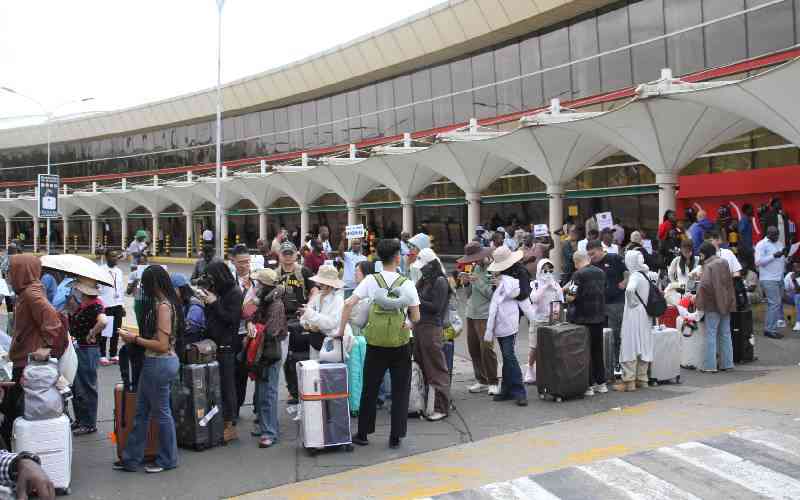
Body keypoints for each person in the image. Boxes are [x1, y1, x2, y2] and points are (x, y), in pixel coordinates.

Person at [340, 239, 420, 449]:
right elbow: (416, 316)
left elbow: (349, 303)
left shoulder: (371, 281)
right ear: (397, 257)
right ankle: (396, 436)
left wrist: (341, 330)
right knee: (400, 389)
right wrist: (408, 324)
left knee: (370, 388)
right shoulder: (407, 283)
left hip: (375, 344)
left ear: (379, 258)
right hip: (401, 343)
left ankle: (364, 433)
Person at [114, 265, 181, 473]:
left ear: (153, 284)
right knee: (142, 412)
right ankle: (131, 458)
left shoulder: (162, 307)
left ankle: (167, 459)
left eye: (145, 283)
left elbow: (161, 344)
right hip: (161, 362)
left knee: (160, 413)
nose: (143, 288)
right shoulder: (168, 303)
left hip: (159, 362)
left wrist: (134, 338)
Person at [1, 254, 67, 447]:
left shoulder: (32, 294)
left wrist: (45, 346)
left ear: (22, 271)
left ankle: (16, 456)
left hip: (28, 363)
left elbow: (52, 321)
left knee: (14, 410)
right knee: (14, 408)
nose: (8, 277)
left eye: (11, 272)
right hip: (23, 359)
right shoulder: (26, 292)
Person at [197, 261, 242, 442]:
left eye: (212, 277)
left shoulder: (234, 293)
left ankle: (230, 425)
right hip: (213, 344)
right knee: (216, 387)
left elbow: (230, 319)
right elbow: (212, 317)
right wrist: (207, 302)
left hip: (227, 346)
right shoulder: (219, 291)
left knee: (227, 386)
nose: (210, 281)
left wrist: (214, 303)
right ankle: (219, 421)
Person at [245, 268, 287, 448]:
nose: (256, 287)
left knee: (268, 393)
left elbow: (271, 331)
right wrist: (250, 324)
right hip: (263, 352)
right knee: (261, 392)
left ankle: (269, 431)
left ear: (266, 286)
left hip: (270, 353)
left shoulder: (276, 305)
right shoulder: (264, 301)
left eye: (259, 284)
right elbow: (251, 317)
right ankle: (265, 426)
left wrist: (256, 328)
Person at [411, 248, 451, 421]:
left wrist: (417, 298)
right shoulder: (424, 279)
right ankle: (427, 404)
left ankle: (441, 406)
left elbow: (436, 307)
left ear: (431, 265)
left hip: (432, 328)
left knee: (436, 369)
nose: (421, 269)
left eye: (423, 266)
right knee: (423, 367)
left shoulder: (440, 281)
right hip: (420, 327)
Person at [484, 246, 527, 407]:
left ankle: (518, 390)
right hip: (500, 319)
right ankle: (508, 389)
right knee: (506, 355)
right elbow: (494, 295)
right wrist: (497, 284)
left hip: (511, 318)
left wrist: (505, 285)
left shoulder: (520, 272)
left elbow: (523, 293)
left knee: (509, 355)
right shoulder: (498, 274)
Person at [275, 241, 317, 405]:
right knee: (287, 358)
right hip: (282, 320)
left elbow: (314, 290)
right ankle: (293, 391)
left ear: (295, 254)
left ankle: (305, 388)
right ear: (280, 255)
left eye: (290, 253)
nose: (288, 257)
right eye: (285, 254)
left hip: (301, 320)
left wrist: (309, 306)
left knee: (303, 356)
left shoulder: (304, 272)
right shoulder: (275, 274)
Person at [68, 278, 108, 436]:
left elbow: (103, 321)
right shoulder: (84, 305)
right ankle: (80, 420)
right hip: (79, 348)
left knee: (86, 387)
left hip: (87, 350)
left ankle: (89, 423)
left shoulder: (96, 305)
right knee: (77, 386)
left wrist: (92, 333)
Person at [457, 242, 499, 395]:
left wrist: (477, 281)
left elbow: (492, 294)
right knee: (473, 348)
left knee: (486, 348)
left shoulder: (492, 270)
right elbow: (468, 294)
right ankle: (481, 380)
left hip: (485, 314)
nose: (474, 261)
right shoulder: (474, 267)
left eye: (475, 258)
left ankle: (493, 381)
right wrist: (466, 283)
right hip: (471, 313)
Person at [566, 250, 608, 395]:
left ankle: (589, 385)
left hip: (583, 318)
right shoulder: (601, 272)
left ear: (576, 262)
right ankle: (601, 383)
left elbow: (570, 297)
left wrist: (566, 294)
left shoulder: (578, 275)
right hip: (599, 317)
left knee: (585, 352)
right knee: (598, 351)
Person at [613, 251, 655, 391]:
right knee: (643, 343)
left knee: (630, 343)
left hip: (633, 313)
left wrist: (631, 303)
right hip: (645, 314)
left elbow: (630, 290)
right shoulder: (645, 274)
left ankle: (628, 381)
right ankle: (642, 379)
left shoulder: (635, 276)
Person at [586, 239, 626, 377]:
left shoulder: (614, 258)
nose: (592, 257)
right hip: (600, 304)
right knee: (602, 335)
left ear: (599, 249)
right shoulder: (591, 264)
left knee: (616, 334)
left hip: (616, 302)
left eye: (593, 253)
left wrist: (625, 282)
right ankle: (605, 364)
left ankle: (617, 362)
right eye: (589, 255)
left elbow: (627, 271)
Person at [695, 242, 736, 372]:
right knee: (725, 334)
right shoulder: (724, 262)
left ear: (705, 253)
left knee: (711, 334)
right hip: (726, 302)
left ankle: (710, 366)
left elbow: (704, 286)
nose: (700, 256)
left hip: (712, 305)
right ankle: (727, 363)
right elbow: (729, 283)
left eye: (701, 254)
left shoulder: (708, 266)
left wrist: (698, 302)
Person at [300, 265, 350, 360]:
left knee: (328, 371)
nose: (319, 285)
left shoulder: (337, 300)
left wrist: (311, 316)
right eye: (320, 283)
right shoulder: (317, 297)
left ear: (330, 285)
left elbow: (331, 323)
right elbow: (304, 317)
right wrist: (307, 325)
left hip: (331, 343)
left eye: (322, 283)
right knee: (314, 371)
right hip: (315, 340)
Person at [525, 258, 563, 384]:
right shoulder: (535, 284)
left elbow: (561, 300)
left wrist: (555, 287)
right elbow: (534, 299)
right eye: (545, 270)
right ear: (539, 271)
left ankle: (547, 371)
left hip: (552, 320)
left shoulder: (555, 283)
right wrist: (545, 286)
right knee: (534, 347)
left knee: (551, 347)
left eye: (550, 270)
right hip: (538, 319)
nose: (548, 273)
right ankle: (530, 369)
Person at [229, 244, 255, 419]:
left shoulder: (257, 281)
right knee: (229, 374)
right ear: (233, 261)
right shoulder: (228, 281)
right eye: (240, 262)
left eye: (247, 262)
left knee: (242, 375)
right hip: (231, 334)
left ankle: (237, 408)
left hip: (248, 335)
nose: (244, 265)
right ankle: (230, 409)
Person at [756, 226, 787, 339]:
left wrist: (785, 255)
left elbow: (781, 259)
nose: (776, 237)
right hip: (768, 279)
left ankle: (769, 328)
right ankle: (770, 330)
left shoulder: (779, 243)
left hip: (779, 277)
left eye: (777, 234)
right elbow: (758, 262)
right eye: (774, 234)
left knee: (774, 304)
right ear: (768, 234)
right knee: (775, 303)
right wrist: (774, 256)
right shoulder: (761, 245)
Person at [99, 249, 125, 366]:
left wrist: (122, 305)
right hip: (106, 305)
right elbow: (98, 289)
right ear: (106, 257)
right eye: (112, 256)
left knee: (116, 331)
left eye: (116, 256)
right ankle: (102, 355)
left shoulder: (119, 271)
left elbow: (120, 289)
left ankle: (114, 354)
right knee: (105, 332)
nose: (115, 258)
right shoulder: (100, 270)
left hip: (117, 305)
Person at [784, 258, 800, 332]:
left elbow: (798, 291)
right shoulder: (789, 275)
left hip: (798, 297)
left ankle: (798, 322)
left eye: (798, 267)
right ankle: (780, 320)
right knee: (778, 296)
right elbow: (784, 288)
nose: (796, 269)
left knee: (798, 296)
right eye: (794, 267)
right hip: (791, 297)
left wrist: (794, 280)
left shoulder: (793, 277)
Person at [738, 204, 755, 270]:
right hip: (745, 249)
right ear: (746, 210)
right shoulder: (744, 219)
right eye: (751, 209)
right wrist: (747, 248)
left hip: (747, 247)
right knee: (748, 267)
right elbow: (741, 232)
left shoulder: (747, 219)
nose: (752, 211)